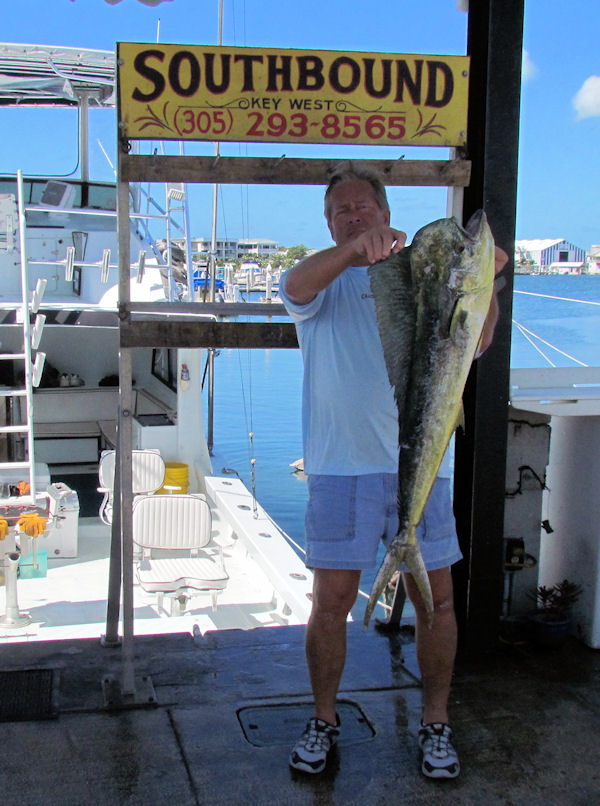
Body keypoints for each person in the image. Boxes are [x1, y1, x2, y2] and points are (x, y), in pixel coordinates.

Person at [279, 167, 508, 779]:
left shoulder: (420, 273)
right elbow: (294, 285)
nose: (352, 217)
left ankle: (437, 723)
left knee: (437, 603)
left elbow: (472, 342)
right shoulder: (320, 281)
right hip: (339, 469)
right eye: (340, 212)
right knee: (329, 602)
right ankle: (324, 720)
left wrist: (491, 281)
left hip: (423, 466)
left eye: (361, 208)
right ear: (328, 224)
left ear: (385, 210)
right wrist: (352, 251)